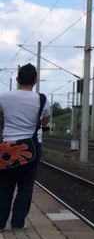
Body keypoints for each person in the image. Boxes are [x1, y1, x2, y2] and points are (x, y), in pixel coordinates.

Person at [0, 64, 51, 230]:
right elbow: (45, 121)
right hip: (31, 148)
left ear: (17, 79)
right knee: (26, 186)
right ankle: (18, 223)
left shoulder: (4, 97)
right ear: (35, 81)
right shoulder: (42, 99)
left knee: (5, 186)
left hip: (7, 147)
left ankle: (1, 222)